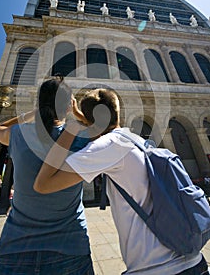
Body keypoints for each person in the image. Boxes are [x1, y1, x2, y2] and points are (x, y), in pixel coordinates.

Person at [34, 88, 209, 275]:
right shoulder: (131, 139)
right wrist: (86, 118)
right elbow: (102, 127)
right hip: (193, 261)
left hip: (159, 269)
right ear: (116, 112)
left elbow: (43, 184)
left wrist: (71, 129)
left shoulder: (108, 147)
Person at [0, 76, 94, 275]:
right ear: (67, 107)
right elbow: (107, 132)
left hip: (15, 251)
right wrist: (79, 114)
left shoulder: (19, 134)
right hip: (70, 249)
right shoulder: (81, 138)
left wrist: (32, 114)